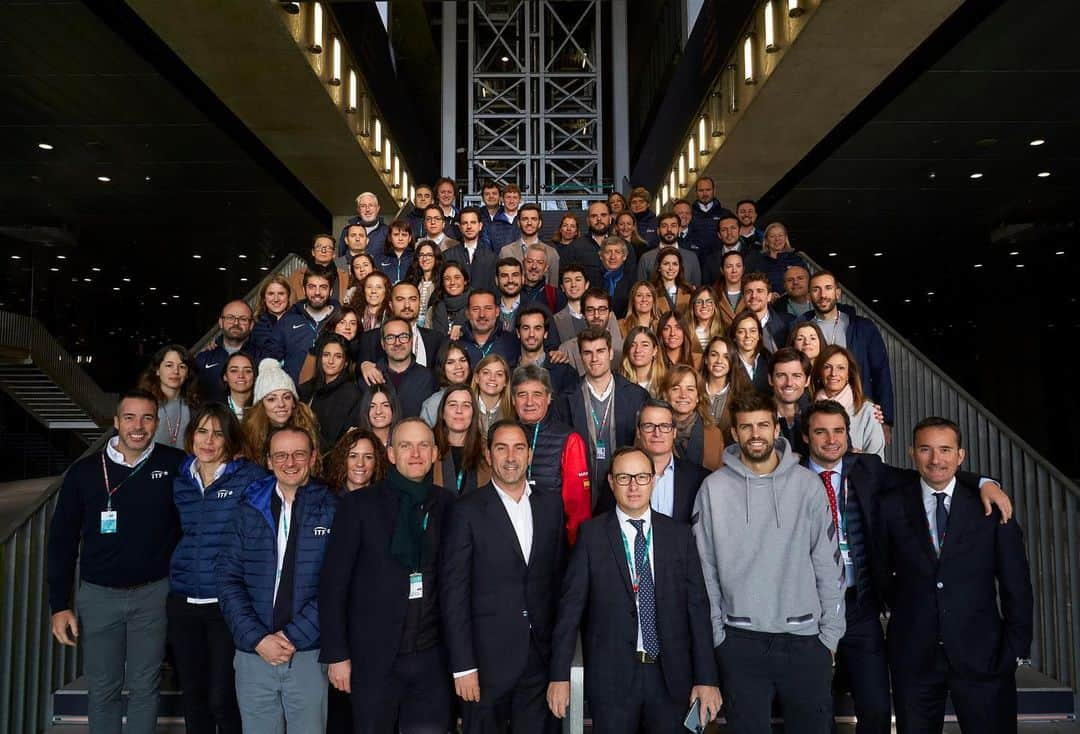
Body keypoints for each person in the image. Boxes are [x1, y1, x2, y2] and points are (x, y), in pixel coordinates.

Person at [798, 401, 1013, 734]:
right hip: (806, 607)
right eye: (820, 431)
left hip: (860, 606)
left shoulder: (867, 468)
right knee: (813, 710)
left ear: (848, 434)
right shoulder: (789, 475)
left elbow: (932, 474)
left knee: (877, 712)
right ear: (805, 436)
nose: (830, 439)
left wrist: (985, 481)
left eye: (838, 430)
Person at [693, 391, 845, 734]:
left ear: (777, 429)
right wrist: (720, 637)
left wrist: (830, 638)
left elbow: (829, 565)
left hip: (806, 642)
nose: (755, 434)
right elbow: (705, 571)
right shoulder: (712, 490)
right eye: (746, 427)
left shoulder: (807, 486)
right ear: (735, 433)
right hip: (740, 642)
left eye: (763, 425)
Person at [548, 446, 721, 734]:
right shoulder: (591, 536)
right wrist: (559, 675)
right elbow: (570, 610)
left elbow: (698, 610)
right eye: (624, 477)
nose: (633, 486)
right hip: (611, 680)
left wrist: (707, 678)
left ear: (653, 481)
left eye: (641, 477)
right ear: (611, 483)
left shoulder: (678, 535)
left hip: (671, 678)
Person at [876, 417, 1033, 734]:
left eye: (945, 450)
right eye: (926, 449)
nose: (936, 459)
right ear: (911, 453)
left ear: (960, 456)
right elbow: (881, 574)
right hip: (914, 656)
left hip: (983, 656)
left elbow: (1016, 585)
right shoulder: (891, 505)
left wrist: (1015, 651)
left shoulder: (990, 506)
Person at [48, 389, 186, 734]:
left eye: (147, 417)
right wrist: (58, 605)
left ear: (157, 422)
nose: (138, 426)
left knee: (144, 687)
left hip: (153, 595)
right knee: (103, 689)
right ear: (116, 422)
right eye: (129, 417)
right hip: (99, 596)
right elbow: (61, 542)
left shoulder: (175, 464)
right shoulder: (84, 472)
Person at [319, 419, 456, 733]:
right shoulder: (359, 506)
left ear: (435, 453)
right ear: (391, 454)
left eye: (423, 445)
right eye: (406, 446)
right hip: (373, 658)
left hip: (431, 659)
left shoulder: (447, 505)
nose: (415, 453)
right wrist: (337, 655)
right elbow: (333, 585)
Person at [440, 419, 567, 734]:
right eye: (501, 448)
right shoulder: (466, 510)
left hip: (539, 663)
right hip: (484, 667)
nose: (511, 456)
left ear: (530, 454)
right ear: (487, 454)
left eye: (519, 448)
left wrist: (559, 667)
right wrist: (463, 667)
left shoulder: (551, 505)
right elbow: (453, 594)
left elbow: (559, 584)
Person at [217, 425, 338, 733]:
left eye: (299, 454)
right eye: (281, 455)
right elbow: (228, 578)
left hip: (307, 653)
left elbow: (336, 585)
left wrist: (292, 636)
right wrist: (258, 638)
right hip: (254, 652)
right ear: (268, 461)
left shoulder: (332, 509)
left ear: (312, 458)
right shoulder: (247, 509)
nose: (290, 462)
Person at [169, 403, 265, 734]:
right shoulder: (180, 479)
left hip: (225, 604)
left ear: (229, 440)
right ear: (191, 436)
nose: (209, 441)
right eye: (202, 431)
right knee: (193, 696)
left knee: (222, 698)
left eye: (218, 433)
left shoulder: (248, 477)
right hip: (183, 601)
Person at [800, 271, 895, 431]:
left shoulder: (863, 327)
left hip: (859, 413)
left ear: (837, 293)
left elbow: (881, 373)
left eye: (828, 288)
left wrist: (886, 421)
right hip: (816, 415)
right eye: (816, 289)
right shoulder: (801, 330)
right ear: (809, 295)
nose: (823, 295)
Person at [567, 326, 650, 508]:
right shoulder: (566, 398)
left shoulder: (637, 396)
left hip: (626, 491)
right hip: (583, 493)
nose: (594, 358)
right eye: (587, 353)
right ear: (581, 356)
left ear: (611, 353)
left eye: (600, 351)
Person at [510, 364, 592, 543]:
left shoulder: (570, 440)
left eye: (537, 394)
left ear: (548, 398)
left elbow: (577, 507)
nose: (529, 402)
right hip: (510, 540)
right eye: (522, 394)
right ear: (513, 399)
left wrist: (574, 552)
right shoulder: (502, 435)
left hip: (553, 543)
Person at [239, 359, 321, 463]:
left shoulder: (309, 429)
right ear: (261, 405)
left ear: (294, 403)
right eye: (272, 399)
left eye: (287, 397)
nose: (281, 404)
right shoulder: (246, 436)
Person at [811, 344, 885, 458]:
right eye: (827, 367)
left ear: (848, 374)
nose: (833, 373)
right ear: (819, 372)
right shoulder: (809, 408)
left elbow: (877, 460)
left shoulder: (868, 411)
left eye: (840, 368)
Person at [266, 268, 338, 383]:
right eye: (312, 287)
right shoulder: (288, 320)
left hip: (332, 394)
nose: (317, 292)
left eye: (323, 287)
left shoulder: (342, 318)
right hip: (294, 394)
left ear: (331, 291)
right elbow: (270, 359)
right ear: (304, 290)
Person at [357, 281, 447, 370]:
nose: (407, 305)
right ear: (391, 305)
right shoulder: (370, 339)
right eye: (400, 299)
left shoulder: (436, 339)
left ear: (420, 304)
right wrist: (363, 365)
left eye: (412, 299)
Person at [298, 333, 363, 452]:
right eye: (326, 355)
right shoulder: (307, 389)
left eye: (338, 356)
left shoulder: (352, 394)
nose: (331, 361)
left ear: (346, 362)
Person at [660, 364, 725, 471]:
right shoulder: (652, 432)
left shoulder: (714, 434)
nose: (683, 395)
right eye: (676, 389)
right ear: (665, 395)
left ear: (698, 396)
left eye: (690, 389)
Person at [431, 384, 491, 495]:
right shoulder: (427, 448)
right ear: (443, 413)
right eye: (453, 405)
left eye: (466, 405)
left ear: (473, 413)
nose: (459, 410)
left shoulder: (487, 450)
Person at [196, 300, 259, 402]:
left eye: (243, 319)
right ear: (221, 322)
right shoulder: (203, 359)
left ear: (251, 325)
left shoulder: (262, 356)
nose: (236, 323)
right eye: (230, 317)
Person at [138, 344, 199, 449]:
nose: (176, 371)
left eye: (182, 366)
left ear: (188, 373)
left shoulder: (195, 406)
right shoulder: (140, 404)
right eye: (169, 365)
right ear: (157, 370)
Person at [565, 200, 638, 288]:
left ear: (610, 219)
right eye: (594, 216)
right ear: (588, 221)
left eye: (603, 215)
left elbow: (632, 282)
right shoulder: (575, 247)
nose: (599, 219)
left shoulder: (625, 246)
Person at [514, 306, 579, 396]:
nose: (531, 334)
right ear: (518, 333)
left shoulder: (564, 371)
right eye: (526, 328)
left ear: (545, 333)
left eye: (537, 328)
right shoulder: (507, 372)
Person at [557, 288, 625, 375]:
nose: (596, 315)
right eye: (590, 310)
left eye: (602, 310)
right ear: (583, 314)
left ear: (610, 314)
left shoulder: (625, 349)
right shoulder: (566, 350)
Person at [499, 204, 561, 286]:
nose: (529, 223)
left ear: (539, 223)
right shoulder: (506, 252)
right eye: (525, 219)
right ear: (518, 223)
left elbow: (553, 287)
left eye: (534, 219)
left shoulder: (551, 253)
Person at [298, 305, 363, 383]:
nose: (347, 327)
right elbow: (304, 381)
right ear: (334, 325)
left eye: (352, 323)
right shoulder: (319, 347)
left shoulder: (360, 350)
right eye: (342, 322)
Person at [700, 335, 749, 436]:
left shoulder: (741, 395)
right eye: (714, 355)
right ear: (706, 359)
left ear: (732, 362)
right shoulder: (693, 390)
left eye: (726, 357)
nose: (719, 361)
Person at [637, 212, 702, 286]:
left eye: (673, 226)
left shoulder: (691, 257)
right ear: (658, 231)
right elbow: (640, 289)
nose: (669, 230)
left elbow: (697, 290)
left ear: (679, 229)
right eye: (664, 226)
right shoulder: (646, 258)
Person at [770, 347, 813, 458]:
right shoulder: (754, 416)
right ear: (770, 379)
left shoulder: (818, 416)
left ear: (807, 380)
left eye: (796, 376)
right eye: (781, 376)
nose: (789, 383)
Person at [458, 289, 520, 366]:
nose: (482, 315)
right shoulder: (456, 342)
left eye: (488, 308)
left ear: (497, 311)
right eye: (476, 309)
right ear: (467, 313)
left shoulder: (512, 343)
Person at [444, 206, 498, 292]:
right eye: (465, 223)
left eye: (473, 222)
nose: (469, 226)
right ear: (460, 227)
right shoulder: (448, 256)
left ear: (480, 226)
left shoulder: (491, 257)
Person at [745, 222, 808, 296]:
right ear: (767, 241)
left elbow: (806, 282)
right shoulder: (758, 261)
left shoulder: (797, 260)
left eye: (780, 235)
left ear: (785, 238)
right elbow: (750, 284)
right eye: (772, 236)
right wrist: (768, 295)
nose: (777, 239)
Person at [420, 341, 473, 427]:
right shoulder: (433, 404)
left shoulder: (478, 395)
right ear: (442, 368)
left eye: (462, 360)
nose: (458, 366)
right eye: (450, 362)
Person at [323, 427, 389, 493]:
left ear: (377, 462)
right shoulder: (327, 498)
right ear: (343, 459)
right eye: (353, 456)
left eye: (368, 457)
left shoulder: (389, 499)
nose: (360, 464)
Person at [290, 233, 350, 304]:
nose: (323, 251)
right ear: (313, 252)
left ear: (334, 254)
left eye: (328, 247)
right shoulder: (297, 276)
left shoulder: (344, 276)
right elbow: (291, 303)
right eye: (319, 247)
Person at [742, 270, 794, 351]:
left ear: (769, 296)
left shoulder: (789, 323)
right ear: (743, 298)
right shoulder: (733, 328)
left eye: (759, 291)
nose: (754, 296)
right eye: (749, 292)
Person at [728, 310, 771, 395]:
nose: (747, 335)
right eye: (741, 331)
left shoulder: (769, 360)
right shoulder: (727, 362)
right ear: (734, 337)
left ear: (759, 335)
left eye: (753, 331)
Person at [472, 354, 514, 437]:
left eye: (499, 374)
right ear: (477, 378)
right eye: (486, 373)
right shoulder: (466, 408)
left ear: (505, 382)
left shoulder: (514, 410)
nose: (492, 378)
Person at [429, 261, 472, 342]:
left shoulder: (476, 308)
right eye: (447, 279)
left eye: (457, 277)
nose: (452, 282)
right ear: (442, 283)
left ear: (465, 281)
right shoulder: (434, 308)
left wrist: (461, 325)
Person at [405, 240, 443, 329]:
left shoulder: (442, 283)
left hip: (434, 329)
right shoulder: (411, 281)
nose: (425, 259)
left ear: (436, 258)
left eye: (429, 255)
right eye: (421, 255)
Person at [620, 325, 667, 398]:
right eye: (633, 345)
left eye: (645, 345)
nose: (638, 350)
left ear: (655, 350)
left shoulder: (666, 382)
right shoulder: (617, 383)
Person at [701, 211, 745, 286]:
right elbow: (706, 288)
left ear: (740, 231)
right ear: (719, 235)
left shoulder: (755, 256)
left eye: (733, 228)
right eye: (724, 230)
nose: (729, 233)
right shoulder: (709, 260)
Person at [251, 276, 292, 355]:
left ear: (288, 296)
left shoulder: (300, 321)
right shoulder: (257, 324)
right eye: (271, 294)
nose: (276, 299)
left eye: (281, 293)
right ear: (264, 298)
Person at [337, 192, 387, 256]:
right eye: (363, 206)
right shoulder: (347, 230)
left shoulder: (387, 232)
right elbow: (342, 257)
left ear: (377, 208)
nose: (367, 209)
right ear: (358, 209)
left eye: (371, 205)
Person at [551, 263, 590, 344]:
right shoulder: (555, 321)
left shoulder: (603, 314)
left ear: (586, 285)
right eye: (568, 281)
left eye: (578, 279)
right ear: (562, 288)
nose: (573, 285)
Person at [651, 249, 694, 316]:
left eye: (675, 264)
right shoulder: (651, 291)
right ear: (659, 267)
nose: (671, 268)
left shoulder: (689, 291)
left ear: (679, 267)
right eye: (666, 264)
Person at [356, 383, 400, 448]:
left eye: (385, 405)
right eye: (372, 406)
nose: (378, 411)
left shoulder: (403, 440)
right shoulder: (356, 442)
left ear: (394, 408)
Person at [688, 176, 725, 254]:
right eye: (701, 190)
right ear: (696, 192)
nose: (704, 194)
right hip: (695, 259)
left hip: (717, 259)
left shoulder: (725, 214)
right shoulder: (688, 215)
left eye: (708, 190)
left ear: (714, 191)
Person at [598, 236, 633, 317]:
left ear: (624, 256)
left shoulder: (632, 282)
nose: (612, 257)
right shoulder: (591, 280)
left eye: (617, 252)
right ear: (601, 256)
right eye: (608, 252)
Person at [375, 219, 417, 284]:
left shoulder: (416, 258)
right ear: (390, 237)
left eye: (404, 235)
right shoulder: (379, 259)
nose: (400, 238)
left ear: (410, 238)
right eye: (396, 234)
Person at [712, 250, 746, 329]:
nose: (734, 270)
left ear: (743, 269)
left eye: (738, 266)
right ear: (722, 270)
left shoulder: (752, 293)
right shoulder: (712, 294)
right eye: (729, 266)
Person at [687, 286, 723, 351]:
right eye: (699, 302)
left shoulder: (725, 330)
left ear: (715, 305)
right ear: (692, 306)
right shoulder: (685, 331)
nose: (704, 305)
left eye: (709, 302)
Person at [222, 351, 256, 419]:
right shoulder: (217, 409)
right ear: (225, 376)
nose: (241, 376)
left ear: (255, 376)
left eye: (247, 371)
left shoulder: (264, 407)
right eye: (234, 370)